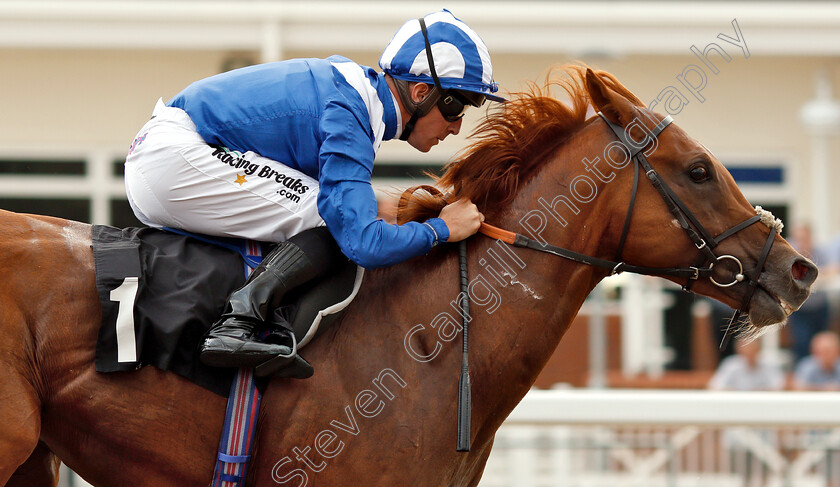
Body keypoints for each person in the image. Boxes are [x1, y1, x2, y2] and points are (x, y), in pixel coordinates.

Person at [123, 9, 505, 375]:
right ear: (421, 91)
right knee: (332, 217)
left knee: (335, 208)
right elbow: (361, 243)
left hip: (168, 159)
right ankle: (236, 324)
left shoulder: (353, 95)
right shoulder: (351, 110)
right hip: (174, 158)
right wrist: (442, 229)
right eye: (457, 108)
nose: (456, 128)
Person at [708, 337, 785, 391]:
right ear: (738, 349)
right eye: (746, 346)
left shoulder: (770, 364)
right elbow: (715, 386)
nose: (749, 350)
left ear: (759, 347)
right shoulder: (730, 365)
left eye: (752, 346)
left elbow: (780, 387)